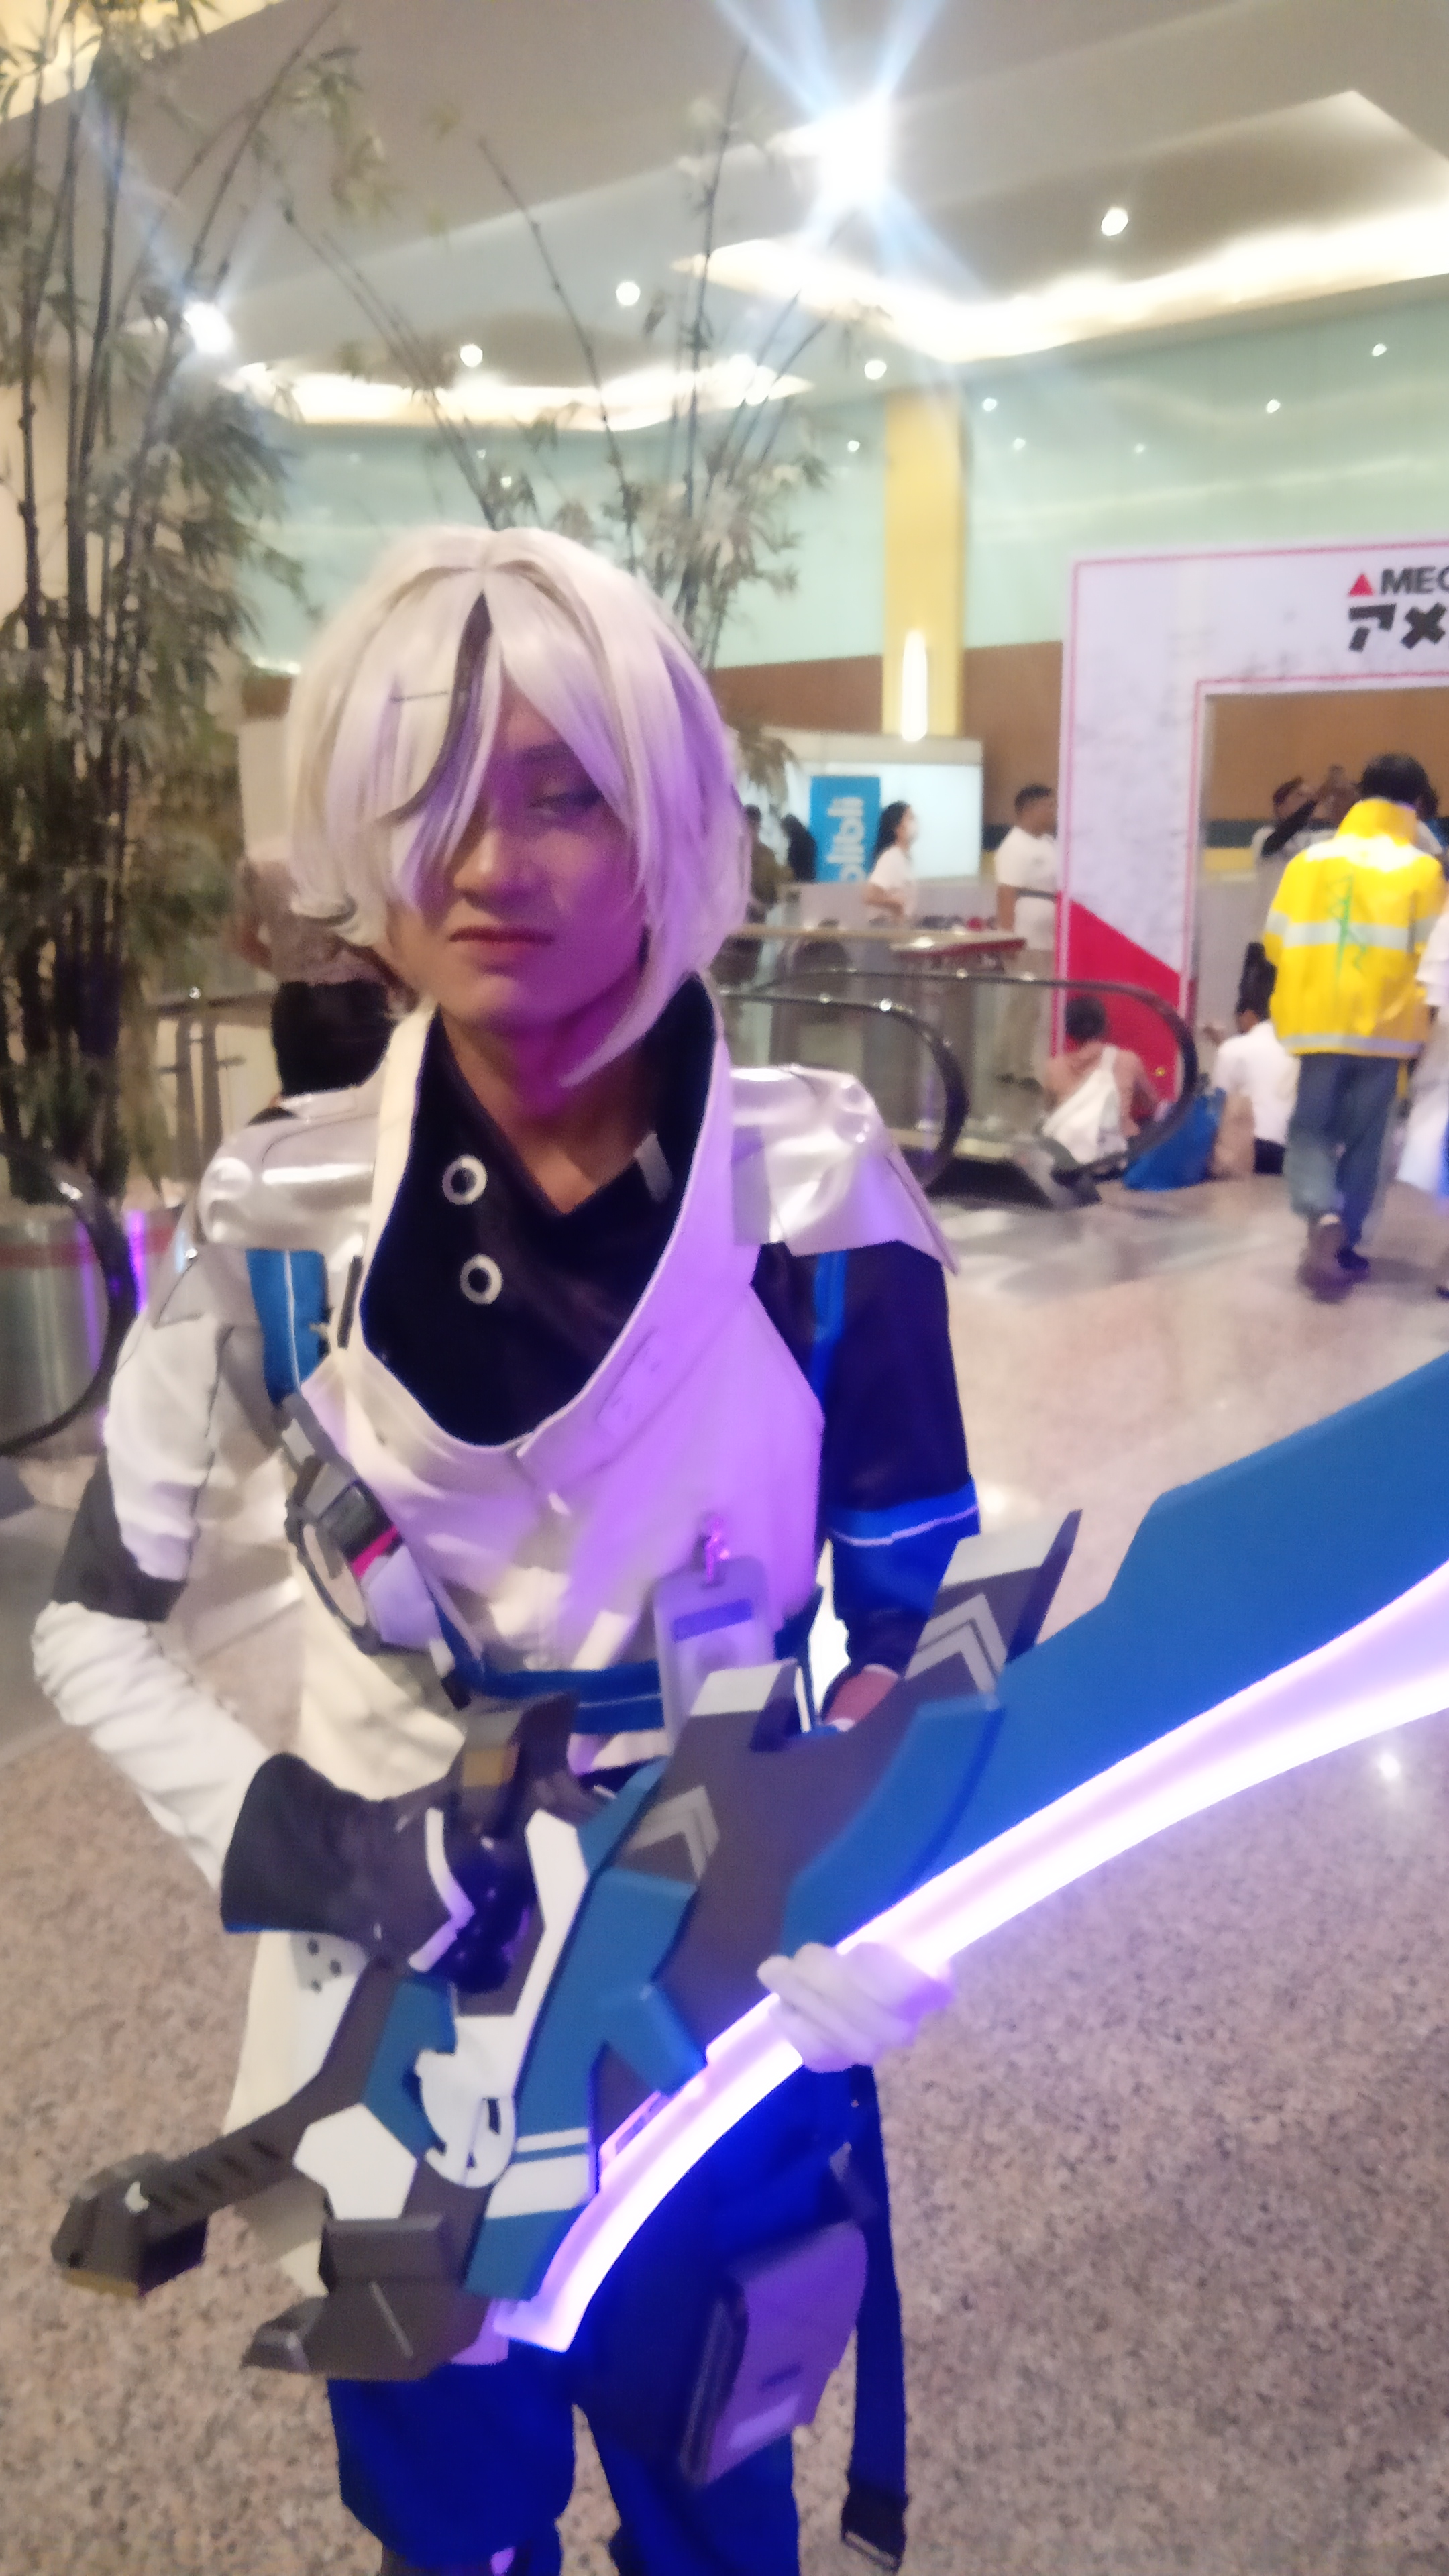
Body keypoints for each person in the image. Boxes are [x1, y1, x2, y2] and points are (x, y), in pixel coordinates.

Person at [32, 527, 977, 2576]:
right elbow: (91, 1627)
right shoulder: (275, 1218)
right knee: (449, 2526)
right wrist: (312, 1840)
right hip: (392, 2023)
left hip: (713, 1989)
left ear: (669, 825)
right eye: (438, 793)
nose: (488, 860)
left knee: (717, 2502)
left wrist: (876, 1874)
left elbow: (925, 1624)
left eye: (563, 795)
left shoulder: (817, 1189)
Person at [1265, 751, 1444, 1294]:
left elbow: (1275, 942)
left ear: (1362, 794)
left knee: (1310, 1129)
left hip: (1316, 1020)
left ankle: (1321, 1213)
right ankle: (1350, 1244)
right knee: (1369, 1141)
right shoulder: (1422, 870)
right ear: (1417, 803)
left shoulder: (1309, 862)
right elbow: (1434, 957)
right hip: (1388, 1031)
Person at [233, 833, 395, 1095]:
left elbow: (242, 942)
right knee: (373, 1101)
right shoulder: (360, 852)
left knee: (304, 1102)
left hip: (296, 1002)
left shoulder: (259, 862)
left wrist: (291, 968)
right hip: (360, 1000)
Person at [1208, 953, 1298, 1175]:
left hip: (1250, 1148)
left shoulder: (1233, 1048)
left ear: (1248, 1015)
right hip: (1288, 1152)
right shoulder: (1296, 1047)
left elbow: (1219, 1101)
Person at [1040, 993, 1157, 1162]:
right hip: (1118, 1155)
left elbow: (1045, 1109)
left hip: (1069, 1156)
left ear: (1068, 1029)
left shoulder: (1052, 1068)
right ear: (1104, 1025)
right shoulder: (1128, 1060)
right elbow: (1150, 1103)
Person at [993, 784, 1058, 1083]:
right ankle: (1017, 1066)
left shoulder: (1048, 843)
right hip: (1026, 936)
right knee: (1023, 1003)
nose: (1053, 812)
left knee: (1032, 1006)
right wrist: (1007, 938)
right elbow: (1006, 894)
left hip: (1046, 937)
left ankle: (1012, 1062)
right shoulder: (1014, 845)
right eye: (1048, 806)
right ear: (1030, 809)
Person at [863, 800, 916, 922]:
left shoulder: (904, 859)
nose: (915, 823)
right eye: (910, 818)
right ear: (897, 827)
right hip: (885, 928)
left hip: (900, 927)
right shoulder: (891, 857)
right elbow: (870, 895)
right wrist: (896, 905)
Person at [743, 802, 789, 918]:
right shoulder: (735, 853)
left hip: (758, 915)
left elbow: (773, 888)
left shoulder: (767, 854)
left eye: (752, 826)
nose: (750, 831)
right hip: (742, 916)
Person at [781, 812, 817, 883]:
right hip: (810, 877)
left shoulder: (795, 843)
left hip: (798, 879)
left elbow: (792, 864)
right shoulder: (809, 838)